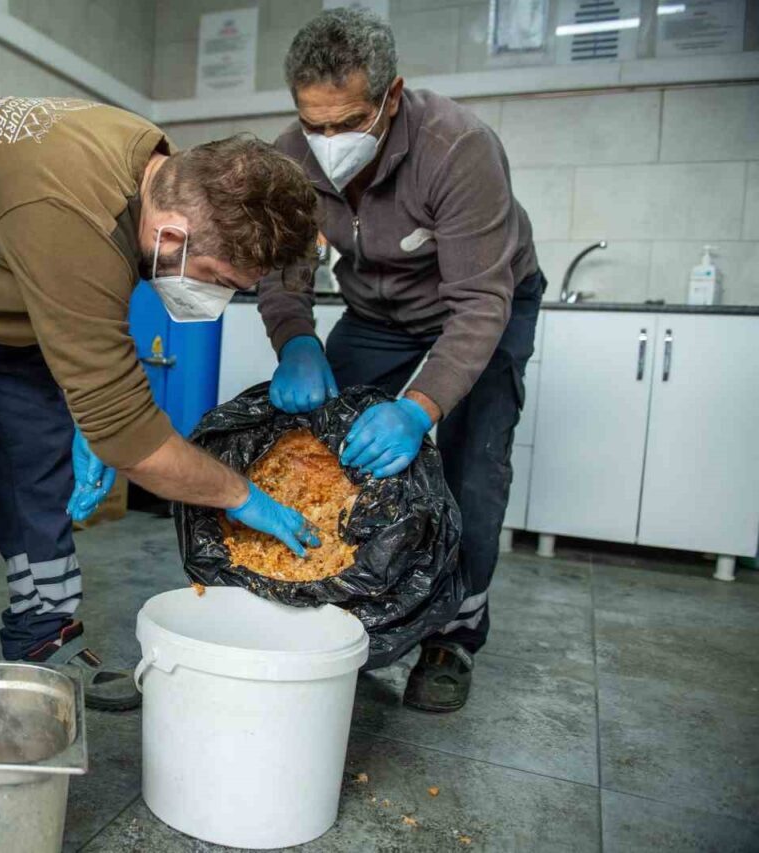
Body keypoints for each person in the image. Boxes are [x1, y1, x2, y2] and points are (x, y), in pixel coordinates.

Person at [0, 96, 320, 711]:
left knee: (34, 457)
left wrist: (86, 410)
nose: (218, 297)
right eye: (220, 280)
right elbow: (134, 440)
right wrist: (241, 495)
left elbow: (84, 306)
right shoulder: (71, 215)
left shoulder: (161, 176)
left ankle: (44, 637)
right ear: (174, 236)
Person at [259, 10, 544, 712]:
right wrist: (295, 336)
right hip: (377, 314)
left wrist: (419, 408)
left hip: (481, 305)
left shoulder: (458, 148)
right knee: (333, 449)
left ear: (391, 97)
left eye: (346, 122)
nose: (326, 144)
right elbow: (281, 272)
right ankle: (361, 604)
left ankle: (454, 629)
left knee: (472, 462)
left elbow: (481, 303)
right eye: (311, 123)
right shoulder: (290, 157)